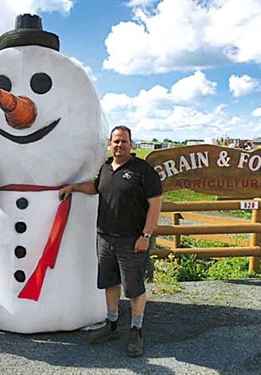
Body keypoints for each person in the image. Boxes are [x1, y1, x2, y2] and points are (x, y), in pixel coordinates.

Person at [60, 125, 162, 357]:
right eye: (115, 141)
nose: (119, 145)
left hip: (132, 240)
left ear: (131, 144)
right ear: (110, 144)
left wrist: (146, 235)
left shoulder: (142, 170)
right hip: (105, 237)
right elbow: (95, 187)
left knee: (134, 288)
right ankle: (112, 324)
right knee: (110, 282)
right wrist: (74, 187)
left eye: (124, 141)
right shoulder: (106, 168)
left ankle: (136, 330)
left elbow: (155, 203)